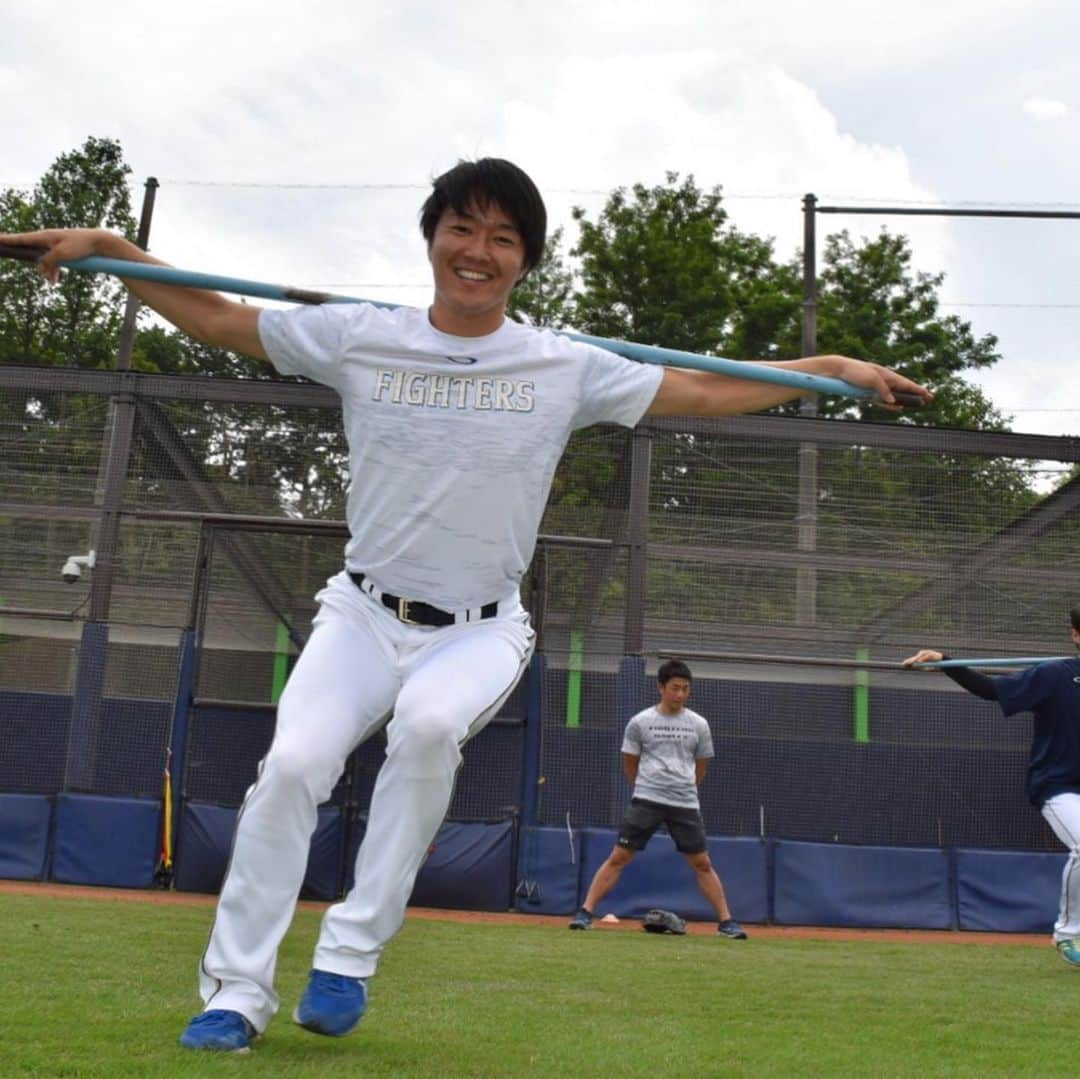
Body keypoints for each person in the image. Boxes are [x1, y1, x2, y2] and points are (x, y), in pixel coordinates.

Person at [0, 158, 930, 1053]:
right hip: (361, 616)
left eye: (503, 236)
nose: (477, 249)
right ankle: (236, 994)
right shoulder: (361, 334)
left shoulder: (564, 365)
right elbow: (217, 317)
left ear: (525, 260)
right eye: (461, 227)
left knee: (430, 728)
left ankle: (348, 957)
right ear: (433, 238)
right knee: (289, 767)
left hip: (480, 629)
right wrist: (114, 246)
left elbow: (703, 384)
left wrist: (831, 365)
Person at [903, 606, 1080, 967]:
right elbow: (990, 689)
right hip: (1058, 787)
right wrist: (943, 662)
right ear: (1075, 635)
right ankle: (1067, 933)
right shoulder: (1053, 676)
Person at [568, 658, 747, 938]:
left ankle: (726, 923)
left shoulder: (699, 724)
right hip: (646, 800)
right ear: (661, 687)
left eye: (686, 689)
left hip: (685, 803)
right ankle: (585, 912)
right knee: (619, 856)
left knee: (702, 863)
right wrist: (646, 786)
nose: (680, 694)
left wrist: (684, 787)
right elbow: (630, 763)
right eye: (675, 688)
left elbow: (701, 765)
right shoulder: (640, 722)